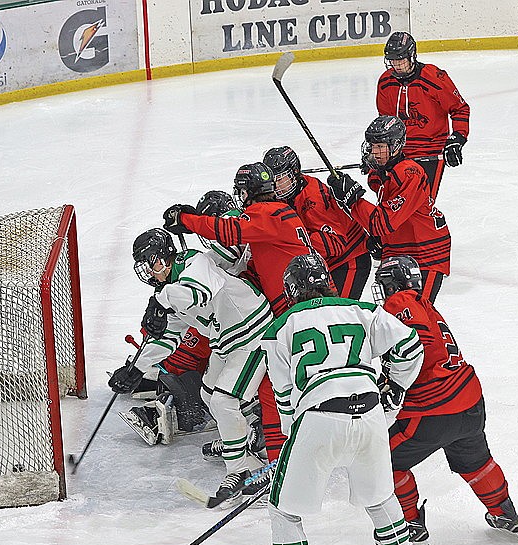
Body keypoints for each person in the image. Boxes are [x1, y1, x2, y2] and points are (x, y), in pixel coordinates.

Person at [256, 253, 426, 545]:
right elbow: (411, 346)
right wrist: (394, 391)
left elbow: (284, 397)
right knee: (381, 498)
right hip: (368, 417)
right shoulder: (364, 310)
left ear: (293, 290)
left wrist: (293, 443)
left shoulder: (280, 327)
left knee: (284, 510)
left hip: (317, 419)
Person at [163, 163, 321, 464]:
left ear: (248, 192)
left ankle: (276, 458)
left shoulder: (268, 213)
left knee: (271, 390)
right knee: (271, 387)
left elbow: (229, 231)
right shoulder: (276, 213)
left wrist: (188, 220)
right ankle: (257, 440)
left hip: (294, 312)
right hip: (295, 308)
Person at [372, 255, 518, 545]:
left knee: (383, 461)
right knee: (476, 462)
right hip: (469, 401)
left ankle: (410, 525)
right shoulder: (424, 303)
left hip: (433, 409)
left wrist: (395, 380)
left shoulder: (400, 303)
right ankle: (505, 514)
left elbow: (423, 344)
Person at [108, 229, 273, 508]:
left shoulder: (192, 262)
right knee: (209, 396)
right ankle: (242, 448)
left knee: (224, 401)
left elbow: (196, 295)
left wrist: (160, 302)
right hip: (226, 341)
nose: (151, 271)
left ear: (165, 256)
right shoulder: (169, 292)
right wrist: (136, 369)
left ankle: (242, 471)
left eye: (153, 262)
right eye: (146, 266)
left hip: (253, 333)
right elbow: (168, 338)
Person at [327, 115, 450, 303]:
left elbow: (382, 223)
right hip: (400, 250)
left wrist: (353, 198)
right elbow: (381, 195)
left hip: (425, 253)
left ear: (396, 146)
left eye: (380, 147)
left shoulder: (410, 174)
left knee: (415, 313)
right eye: (372, 146)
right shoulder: (388, 172)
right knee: (395, 312)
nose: (374, 152)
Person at [263, 145, 371, 299]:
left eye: (280, 179)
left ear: (294, 173)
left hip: (349, 262)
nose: (276, 187)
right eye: (273, 181)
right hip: (327, 265)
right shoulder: (293, 193)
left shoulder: (313, 200)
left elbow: (336, 244)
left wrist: (293, 237)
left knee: (338, 314)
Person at [376, 31, 470, 200]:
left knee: (421, 206)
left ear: (412, 56)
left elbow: (460, 108)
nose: (396, 65)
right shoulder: (385, 82)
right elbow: (386, 122)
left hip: (431, 152)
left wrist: (457, 138)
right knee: (393, 207)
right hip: (399, 152)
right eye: (392, 60)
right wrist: (379, 151)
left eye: (400, 60)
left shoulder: (434, 78)